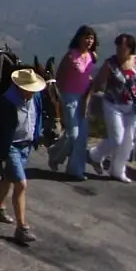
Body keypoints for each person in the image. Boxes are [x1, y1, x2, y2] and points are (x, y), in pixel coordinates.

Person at [0, 67, 46, 244]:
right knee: (21, 183)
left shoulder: (35, 97)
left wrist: (38, 135)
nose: (31, 93)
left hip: (25, 144)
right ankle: (22, 227)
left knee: (9, 178)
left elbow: (38, 115)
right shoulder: (6, 102)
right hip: (11, 145)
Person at [87, 33, 136, 183]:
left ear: (130, 48)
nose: (119, 51)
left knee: (128, 141)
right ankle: (95, 155)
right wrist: (88, 97)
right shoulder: (110, 64)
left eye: (122, 48)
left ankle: (118, 170)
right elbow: (98, 82)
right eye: (118, 47)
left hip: (132, 106)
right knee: (117, 138)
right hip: (113, 104)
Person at [49, 25, 98, 180]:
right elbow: (59, 77)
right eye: (86, 37)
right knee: (73, 134)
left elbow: (89, 76)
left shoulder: (92, 56)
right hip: (69, 97)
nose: (89, 41)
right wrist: (61, 97)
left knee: (81, 136)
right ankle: (55, 155)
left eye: (91, 38)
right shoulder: (71, 56)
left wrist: (88, 94)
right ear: (79, 38)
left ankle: (75, 170)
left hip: (84, 98)